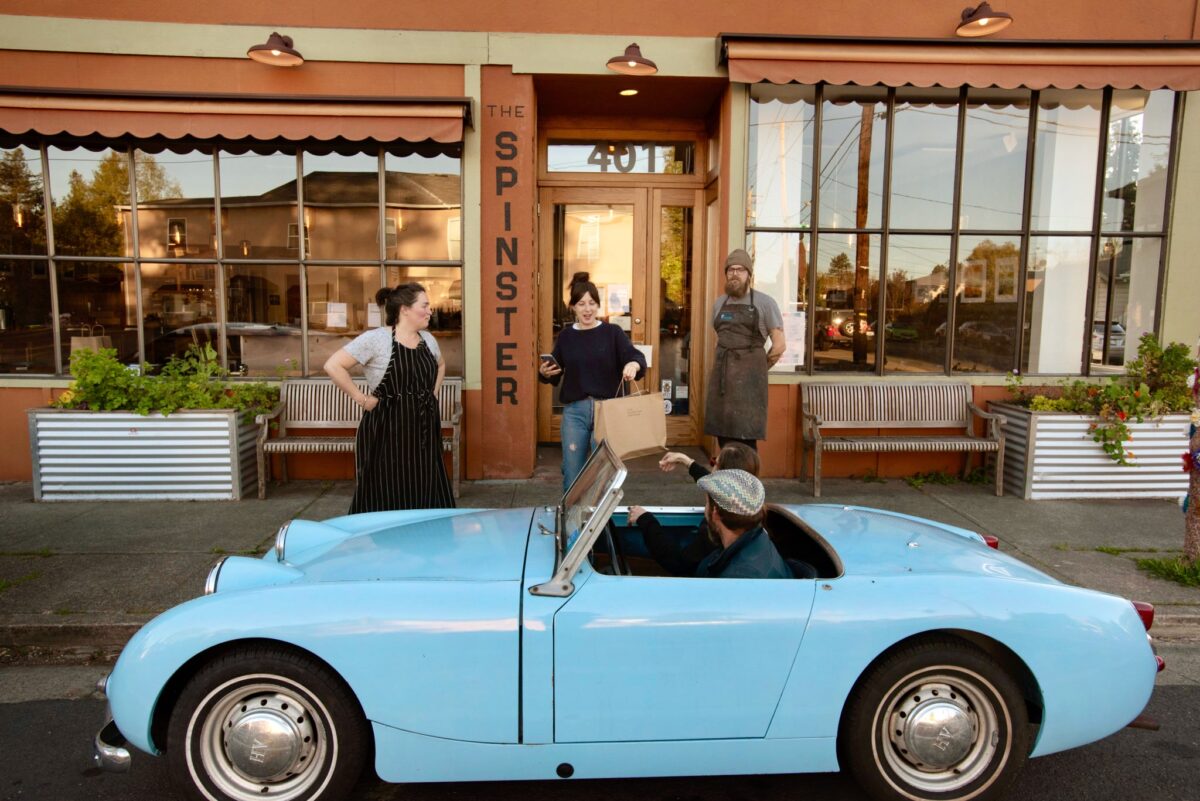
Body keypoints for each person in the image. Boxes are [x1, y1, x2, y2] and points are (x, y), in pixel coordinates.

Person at [324, 284, 454, 513]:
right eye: (424, 306)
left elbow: (440, 364)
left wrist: (432, 393)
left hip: (424, 427)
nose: (430, 311)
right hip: (387, 428)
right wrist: (361, 399)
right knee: (385, 486)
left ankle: (427, 538)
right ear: (404, 309)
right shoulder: (375, 340)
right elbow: (333, 365)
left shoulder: (428, 340)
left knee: (426, 481)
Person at [539, 271, 646, 492]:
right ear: (573, 307)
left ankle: (601, 526)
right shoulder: (566, 337)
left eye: (591, 303)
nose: (587, 309)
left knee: (603, 476)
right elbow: (555, 371)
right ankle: (573, 525)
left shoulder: (612, 333)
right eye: (581, 304)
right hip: (575, 413)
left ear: (598, 305)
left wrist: (633, 366)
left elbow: (636, 357)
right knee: (572, 474)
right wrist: (545, 372)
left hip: (607, 412)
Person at [628, 443, 761, 576]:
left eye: (715, 463)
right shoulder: (749, 505)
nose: (712, 467)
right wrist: (686, 461)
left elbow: (679, 563)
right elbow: (712, 482)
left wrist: (645, 519)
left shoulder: (717, 530)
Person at [703, 248, 786, 450]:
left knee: (746, 438)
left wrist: (757, 369)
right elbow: (720, 339)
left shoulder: (765, 303)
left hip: (750, 383)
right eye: (730, 270)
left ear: (749, 274)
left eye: (740, 270)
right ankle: (727, 480)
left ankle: (749, 481)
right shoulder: (719, 304)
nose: (735, 274)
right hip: (722, 381)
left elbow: (779, 345)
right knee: (723, 435)